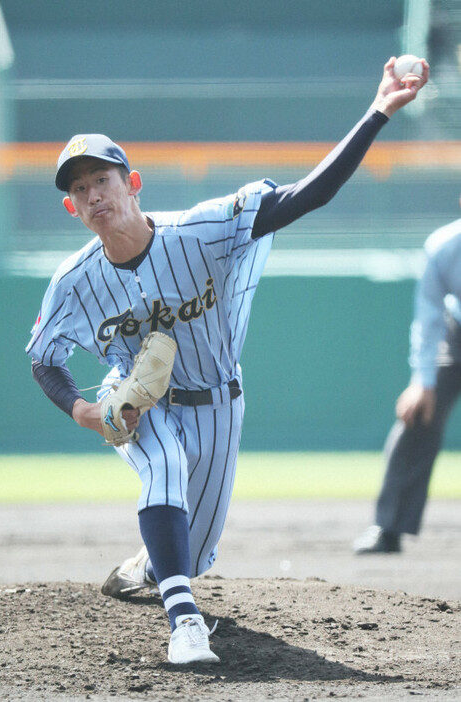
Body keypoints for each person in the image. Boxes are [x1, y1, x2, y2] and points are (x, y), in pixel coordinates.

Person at [26, 57, 428, 665]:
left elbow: (311, 193)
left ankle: (148, 568)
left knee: (196, 549)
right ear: (71, 209)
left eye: (101, 180)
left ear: (132, 183)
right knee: (161, 465)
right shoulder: (75, 280)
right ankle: (185, 626)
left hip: (220, 401)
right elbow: (43, 358)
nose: (91, 195)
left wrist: (378, 111)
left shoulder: (205, 231)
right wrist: (84, 410)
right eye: (78, 189)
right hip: (142, 403)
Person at [354, 207, 461, 555]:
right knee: (418, 413)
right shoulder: (446, 246)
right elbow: (429, 317)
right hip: (456, 335)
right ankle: (389, 527)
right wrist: (423, 381)